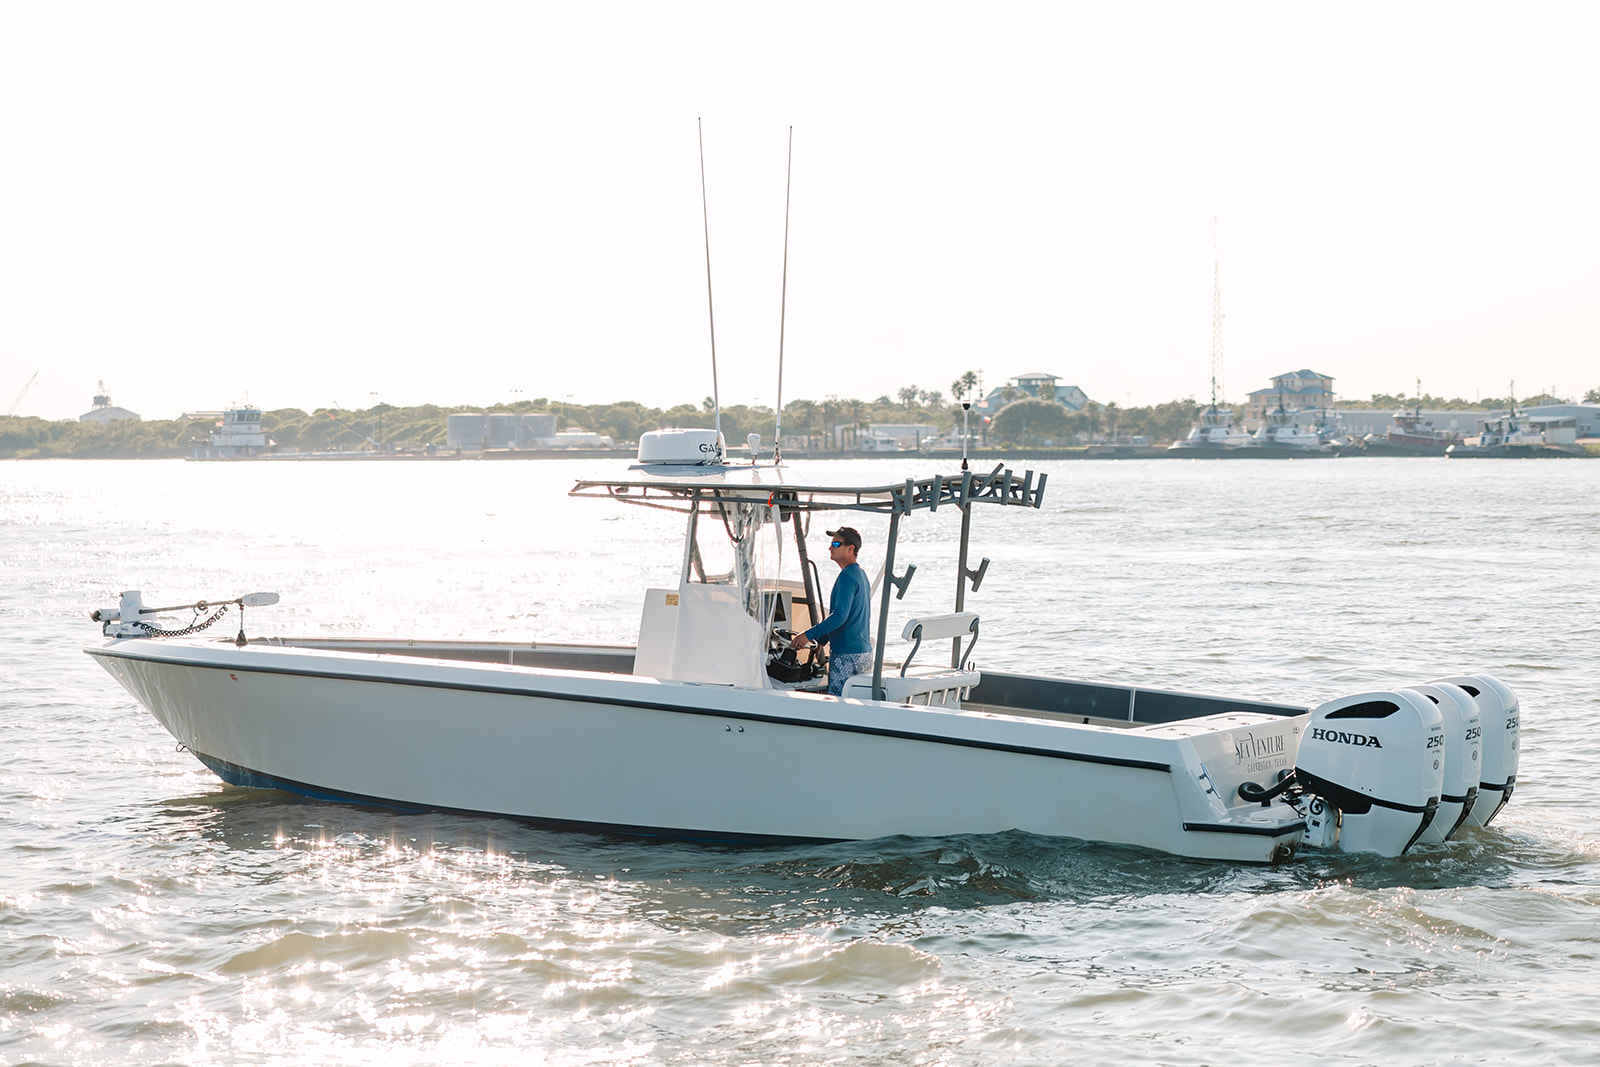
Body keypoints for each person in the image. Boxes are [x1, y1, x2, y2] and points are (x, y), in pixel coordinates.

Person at [790, 526, 873, 695]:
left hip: (847, 656)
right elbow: (846, 616)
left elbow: (840, 617)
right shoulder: (860, 574)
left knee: (839, 703)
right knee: (857, 701)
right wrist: (822, 640)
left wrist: (808, 635)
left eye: (836, 544)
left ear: (851, 549)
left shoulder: (847, 577)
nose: (830, 547)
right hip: (863, 653)